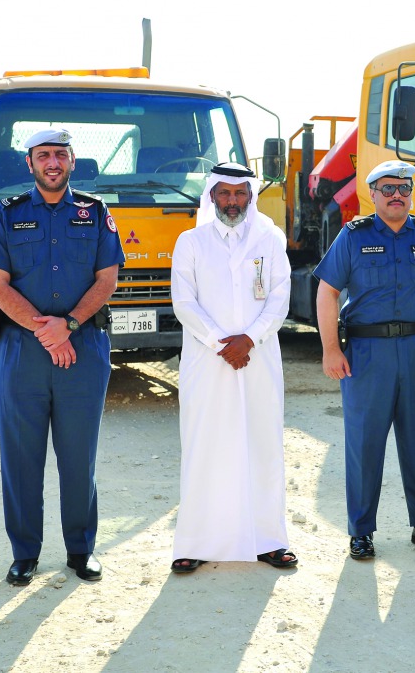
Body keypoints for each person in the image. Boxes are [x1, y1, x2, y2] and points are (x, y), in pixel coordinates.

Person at [0, 128, 125, 586]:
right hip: (21, 351)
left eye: (60, 154)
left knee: (79, 454)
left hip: (83, 349)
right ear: (30, 164)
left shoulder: (96, 213)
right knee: (20, 456)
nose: (53, 162)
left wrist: (70, 327)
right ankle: (25, 552)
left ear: (73, 161)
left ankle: (81, 550)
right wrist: (48, 332)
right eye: (43, 155)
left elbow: (107, 280)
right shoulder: (6, 215)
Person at [314, 160, 415, 560]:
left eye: (404, 188)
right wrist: (331, 349)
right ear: (372, 194)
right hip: (367, 353)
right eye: (388, 189)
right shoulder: (353, 236)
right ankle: (361, 531)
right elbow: (327, 291)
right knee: (364, 444)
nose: (397, 195)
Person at [168, 163, 296, 574]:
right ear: (210, 196)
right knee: (206, 444)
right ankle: (196, 543)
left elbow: (280, 297)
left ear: (251, 196)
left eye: (240, 193)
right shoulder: (190, 241)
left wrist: (250, 338)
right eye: (224, 193)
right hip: (208, 360)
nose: (232, 201)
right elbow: (184, 303)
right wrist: (220, 343)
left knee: (262, 443)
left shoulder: (270, 237)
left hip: (258, 357)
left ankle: (269, 541)